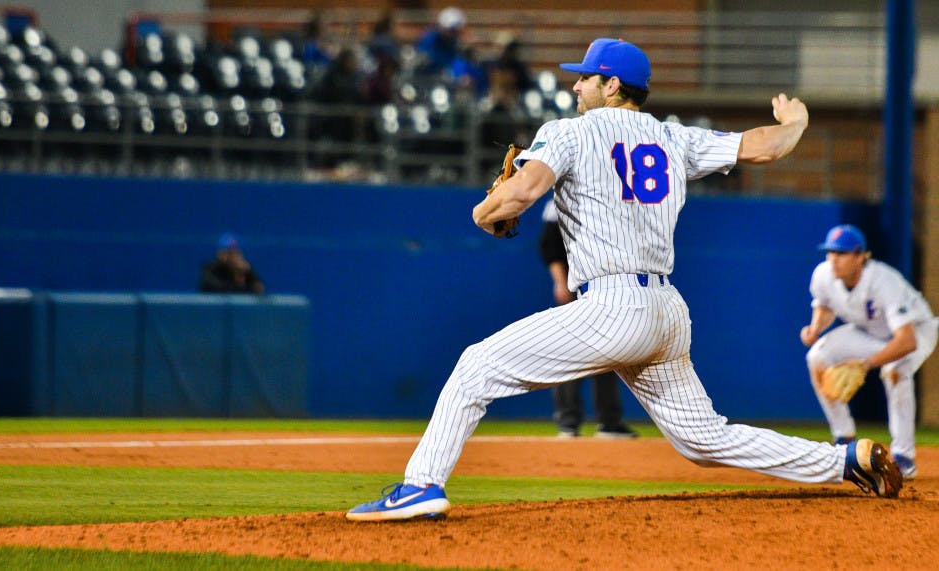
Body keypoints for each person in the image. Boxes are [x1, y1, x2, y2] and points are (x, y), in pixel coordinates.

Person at [346, 37, 903, 522]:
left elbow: (518, 194)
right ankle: (843, 462)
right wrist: (797, 123)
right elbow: (766, 146)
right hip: (665, 311)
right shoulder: (675, 138)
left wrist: (483, 211)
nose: (576, 87)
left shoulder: (567, 133)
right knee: (704, 439)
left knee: (476, 366)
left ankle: (420, 485)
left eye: (585, 77)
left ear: (613, 85)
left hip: (611, 305)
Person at [801, 224, 937, 480]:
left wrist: (865, 364)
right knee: (817, 357)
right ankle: (844, 439)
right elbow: (825, 306)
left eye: (841, 253)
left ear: (860, 256)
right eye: (830, 253)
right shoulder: (823, 275)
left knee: (895, 370)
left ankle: (903, 457)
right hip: (868, 332)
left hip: (917, 331)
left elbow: (907, 342)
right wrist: (814, 328)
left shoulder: (884, 281)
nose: (834, 259)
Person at [540, 198, 637, 439]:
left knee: (608, 353)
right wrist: (560, 281)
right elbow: (550, 246)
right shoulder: (561, 199)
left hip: (605, 285)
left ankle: (609, 422)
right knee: (570, 352)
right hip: (576, 284)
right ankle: (568, 422)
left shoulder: (610, 194)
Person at [199, 233, 264, 294]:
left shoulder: (245, 269)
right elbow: (219, 288)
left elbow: (259, 289)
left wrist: (240, 274)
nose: (232, 256)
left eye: (234, 252)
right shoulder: (209, 268)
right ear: (219, 253)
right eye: (228, 252)